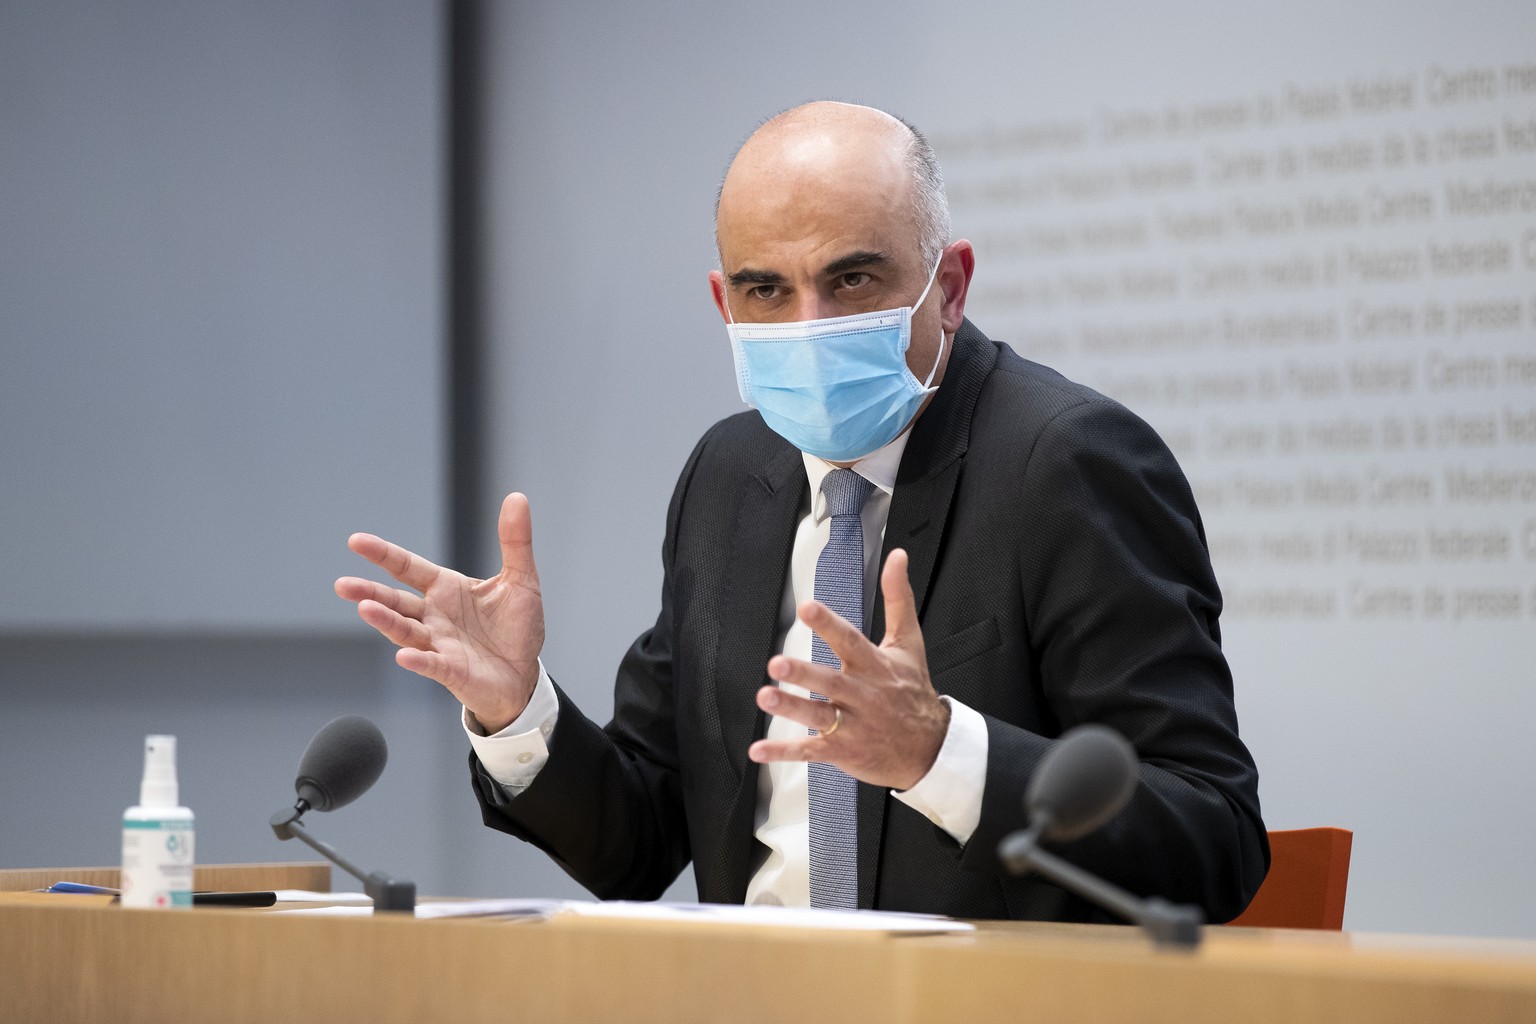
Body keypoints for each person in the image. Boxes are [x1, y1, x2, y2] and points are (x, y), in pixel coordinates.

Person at [336, 101, 1268, 922]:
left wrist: (941, 753)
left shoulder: (1064, 461)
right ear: (723, 302)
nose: (808, 324)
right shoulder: (730, 474)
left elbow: (1214, 839)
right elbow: (638, 842)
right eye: (766, 290)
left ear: (949, 285)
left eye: (852, 280)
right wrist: (516, 709)